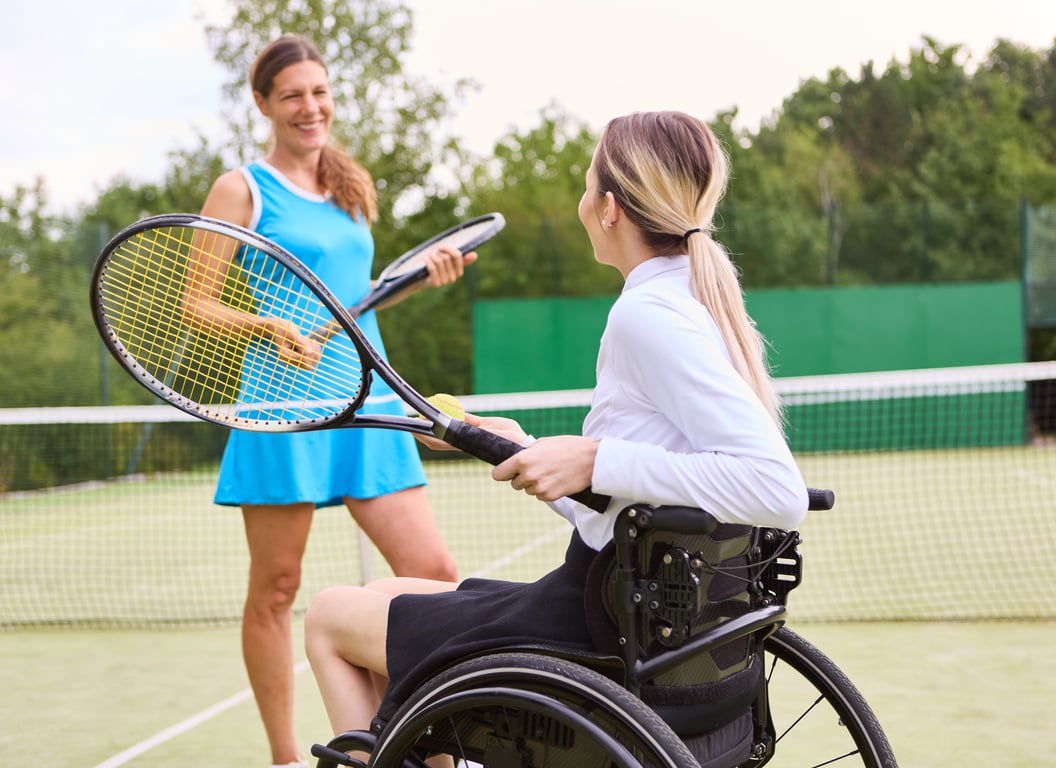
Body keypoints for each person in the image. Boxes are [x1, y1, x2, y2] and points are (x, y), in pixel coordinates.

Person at [303, 110, 810, 747]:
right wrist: (529, 448)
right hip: (644, 614)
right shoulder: (694, 296)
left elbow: (775, 489)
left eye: (585, 183)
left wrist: (597, 460)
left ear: (609, 209)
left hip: (597, 627)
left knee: (327, 616)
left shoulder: (647, 315)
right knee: (383, 591)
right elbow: (635, 511)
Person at [194, 35, 468, 768]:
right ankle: (285, 757)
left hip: (367, 397)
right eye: (292, 95)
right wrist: (266, 322)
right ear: (263, 104)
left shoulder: (351, 186)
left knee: (435, 574)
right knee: (276, 590)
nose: (309, 107)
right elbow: (195, 304)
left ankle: (407, 735)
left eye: (319, 92)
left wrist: (423, 276)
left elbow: (358, 302)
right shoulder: (241, 189)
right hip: (282, 406)